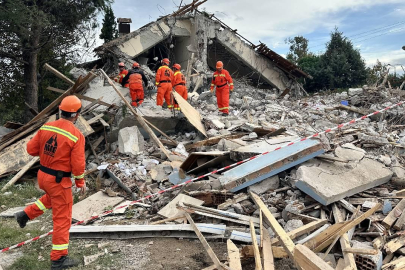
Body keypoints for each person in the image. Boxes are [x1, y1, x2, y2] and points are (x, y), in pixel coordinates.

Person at [14, 96, 86, 270]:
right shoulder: (76, 135)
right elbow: (78, 164)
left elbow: (31, 150)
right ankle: (58, 259)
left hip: (43, 176)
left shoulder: (46, 126)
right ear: (76, 115)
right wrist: (80, 182)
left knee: (51, 198)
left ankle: (25, 214)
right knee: (63, 218)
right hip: (59, 180)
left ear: (61, 111)